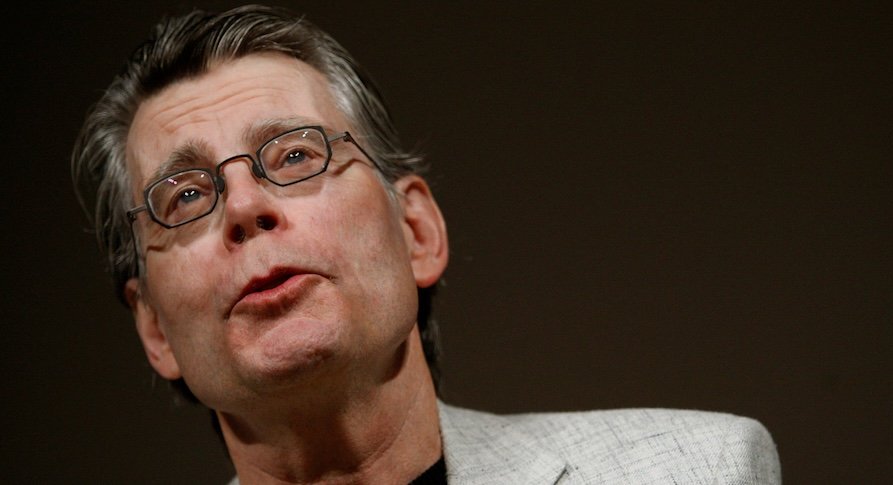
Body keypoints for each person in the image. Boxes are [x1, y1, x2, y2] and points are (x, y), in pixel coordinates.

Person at [72, 5, 781, 484]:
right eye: (185, 196)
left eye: (295, 156)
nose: (246, 206)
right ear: (154, 328)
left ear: (416, 231)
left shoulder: (699, 470)